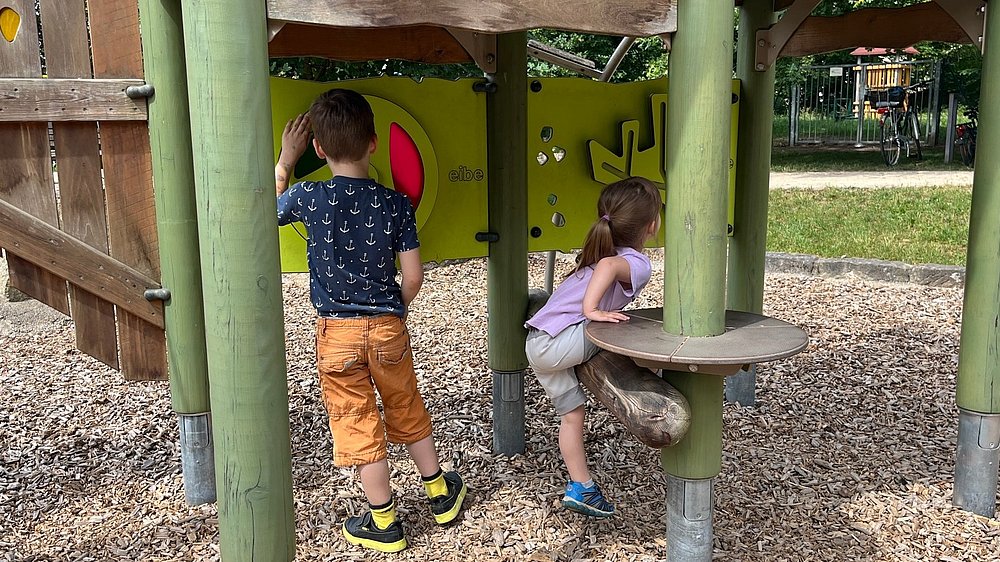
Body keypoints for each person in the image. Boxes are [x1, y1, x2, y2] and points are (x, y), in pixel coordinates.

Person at [274, 89, 466, 553]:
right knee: (405, 406)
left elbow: (259, 214)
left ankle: (385, 523)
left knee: (358, 422)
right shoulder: (396, 204)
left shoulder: (307, 196)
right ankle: (440, 494)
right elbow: (414, 275)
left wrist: (284, 162)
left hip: (336, 332)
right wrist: (392, 307)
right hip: (386, 327)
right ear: (374, 144)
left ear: (318, 149)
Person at [524, 177, 662, 518]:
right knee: (623, 326)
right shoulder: (633, 262)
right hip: (557, 343)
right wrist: (592, 311)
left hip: (538, 345)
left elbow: (602, 266)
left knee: (572, 415)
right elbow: (609, 268)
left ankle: (581, 487)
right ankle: (653, 372)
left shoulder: (598, 252)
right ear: (652, 225)